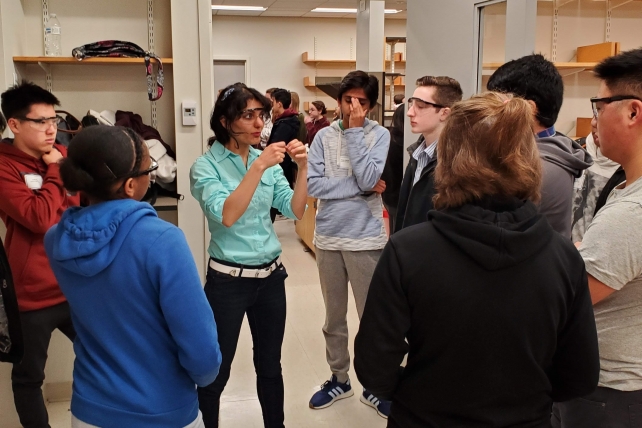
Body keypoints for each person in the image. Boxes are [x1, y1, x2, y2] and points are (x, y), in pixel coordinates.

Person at [354, 92, 600, 428]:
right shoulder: (563, 257)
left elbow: (374, 366)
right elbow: (579, 375)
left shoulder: (406, 251)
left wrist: (416, 394)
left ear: (449, 156)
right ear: (529, 158)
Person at [43, 125, 221, 428]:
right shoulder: (163, 241)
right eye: (148, 169)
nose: (151, 176)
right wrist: (204, 378)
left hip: (90, 407)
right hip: (161, 408)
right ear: (128, 186)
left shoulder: (56, 239)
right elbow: (200, 345)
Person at [190, 83, 308, 428]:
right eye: (248, 115)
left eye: (262, 115)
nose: (259, 124)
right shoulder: (205, 166)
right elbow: (226, 214)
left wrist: (302, 169)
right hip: (228, 281)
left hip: (271, 278)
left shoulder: (264, 161)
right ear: (226, 122)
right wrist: (257, 168)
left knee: (271, 366)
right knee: (217, 369)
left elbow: (295, 209)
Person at [552, 48, 642, 428]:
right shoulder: (625, 190)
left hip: (611, 393)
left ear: (633, 112)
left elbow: (571, 299)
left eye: (599, 104)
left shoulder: (631, 214)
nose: (593, 118)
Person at [307, 70, 392, 418]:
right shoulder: (323, 137)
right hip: (327, 236)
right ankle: (339, 378)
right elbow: (315, 186)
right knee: (334, 316)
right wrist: (359, 187)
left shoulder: (379, 134)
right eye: (347, 100)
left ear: (370, 106)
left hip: (365, 237)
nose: (353, 106)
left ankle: (375, 384)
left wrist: (356, 134)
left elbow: (372, 177)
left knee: (370, 318)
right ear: (338, 101)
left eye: (361, 101)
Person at [0, 81, 80, 428]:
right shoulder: (5, 167)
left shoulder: (59, 157)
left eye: (54, 120)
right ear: (14, 124)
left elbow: (73, 210)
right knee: (29, 377)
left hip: (73, 286)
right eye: (40, 121)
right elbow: (38, 218)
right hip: (30, 296)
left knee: (106, 350)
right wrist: (57, 169)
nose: (51, 129)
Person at [487, 54, 593, 238]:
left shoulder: (536, 168)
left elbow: (494, 234)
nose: (491, 113)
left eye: (498, 104)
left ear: (528, 108)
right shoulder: (554, 148)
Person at [394, 75, 463, 232]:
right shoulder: (417, 154)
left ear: (445, 113)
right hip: (410, 247)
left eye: (421, 106)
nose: (410, 112)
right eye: (411, 104)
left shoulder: (456, 161)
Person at [571, 122, 619, 242]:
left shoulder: (627, 169)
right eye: (595, 112)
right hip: (566, 244)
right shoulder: (577, 149)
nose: (593, 122)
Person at [267, 88, 301, 189]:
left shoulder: (286, 123)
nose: (271, 106)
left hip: (282, 166)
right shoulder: (285, 120)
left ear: (279, 104)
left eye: (273, 102)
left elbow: (276, 145)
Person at [381, 103, 405, 233]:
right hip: (401, 195)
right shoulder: (406, 143)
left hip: (388, 193)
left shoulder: (388, 139)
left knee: (394, 231)